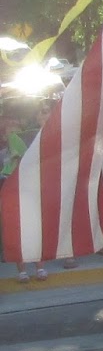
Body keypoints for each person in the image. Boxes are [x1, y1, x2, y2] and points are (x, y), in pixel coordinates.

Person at [2, 101, 46, 283]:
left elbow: (25, 160)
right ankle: (25, 269)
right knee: (15, 229)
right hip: (7, 185)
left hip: (18, 185)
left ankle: (37, 267)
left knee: (28, 227)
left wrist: (15, 157)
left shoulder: (16, 139)